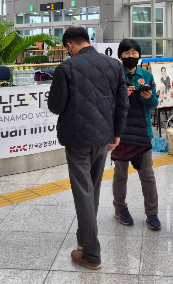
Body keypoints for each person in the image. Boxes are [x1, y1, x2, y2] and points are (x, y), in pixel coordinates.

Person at [48, 26, 129, 270]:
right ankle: (83, 241)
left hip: (77, 139)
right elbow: (122, 105)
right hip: (103, 138)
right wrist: (116, 135)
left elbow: (56, 106)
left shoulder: (66, 68)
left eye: (66, 48)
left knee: (83, 192)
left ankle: (92, 255)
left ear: (70, 45)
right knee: (91, 190)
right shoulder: (114, 65)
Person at [113, 39, 160, 230]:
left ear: (139, 55)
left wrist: (148, 98)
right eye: (126, 53)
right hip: (120, 134)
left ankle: (152, 214)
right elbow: (109, 102)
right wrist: (123, 95)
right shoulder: (115, 75)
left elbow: (154, 103)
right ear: (120, 56)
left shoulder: (146, 75)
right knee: (120, 174)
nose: (131, 57)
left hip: (143, 132)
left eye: (134, 53)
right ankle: (120, 208)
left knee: (147, 175)